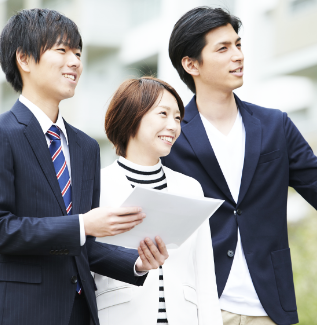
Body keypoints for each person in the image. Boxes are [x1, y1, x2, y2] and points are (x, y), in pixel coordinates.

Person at [163, 7, 317, 325]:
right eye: (223, 48)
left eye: (238, 44)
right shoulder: (172, 135)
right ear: (191, 63)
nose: (238, 55)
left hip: (267, 309)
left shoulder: (275, 125)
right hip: (196, 307)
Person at [0, 9, 168, 325]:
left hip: (78, 314)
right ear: (25, 59)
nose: (75, 62)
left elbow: (83, 246)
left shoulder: (86, 147)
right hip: (18, 312)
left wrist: (137, 263)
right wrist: (83, 225)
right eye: (62, 50)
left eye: (78, 52)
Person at [91, 77, 223, 325]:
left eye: (177, 118)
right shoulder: (96, 186)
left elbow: (205, 274)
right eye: (163, 114)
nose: (173, 126)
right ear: (131, 115)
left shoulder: (190, 188)